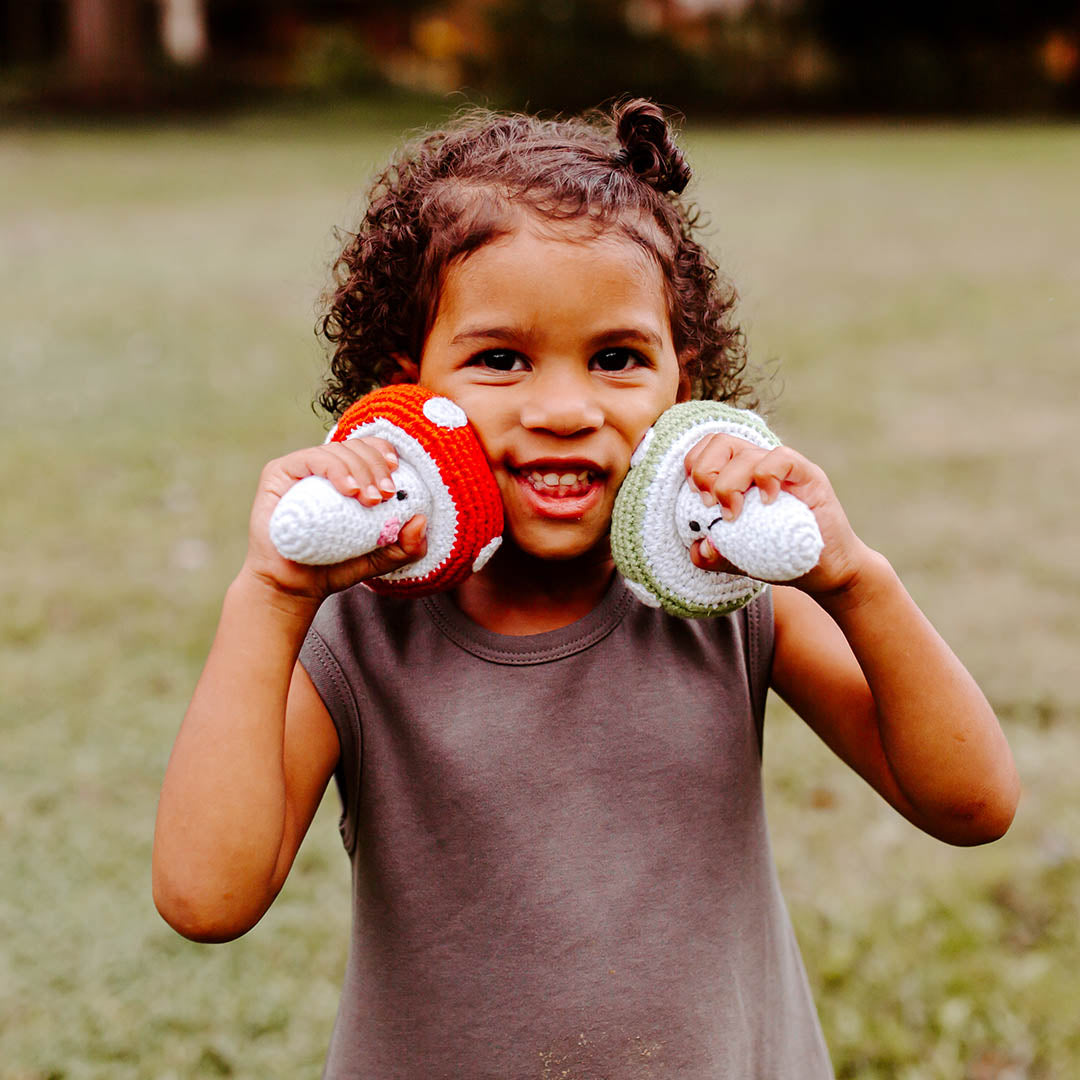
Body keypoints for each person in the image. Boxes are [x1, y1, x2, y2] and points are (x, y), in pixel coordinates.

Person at [152, 99, 1020, 1078]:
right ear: (410, 391)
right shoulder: (358, 628)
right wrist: (270, 594)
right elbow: (205, 899)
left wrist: (856, 578)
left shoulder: (727, 592)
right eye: (500, 359)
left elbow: (972, 804)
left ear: (680, 385)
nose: (563, 409)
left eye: (615, 358)